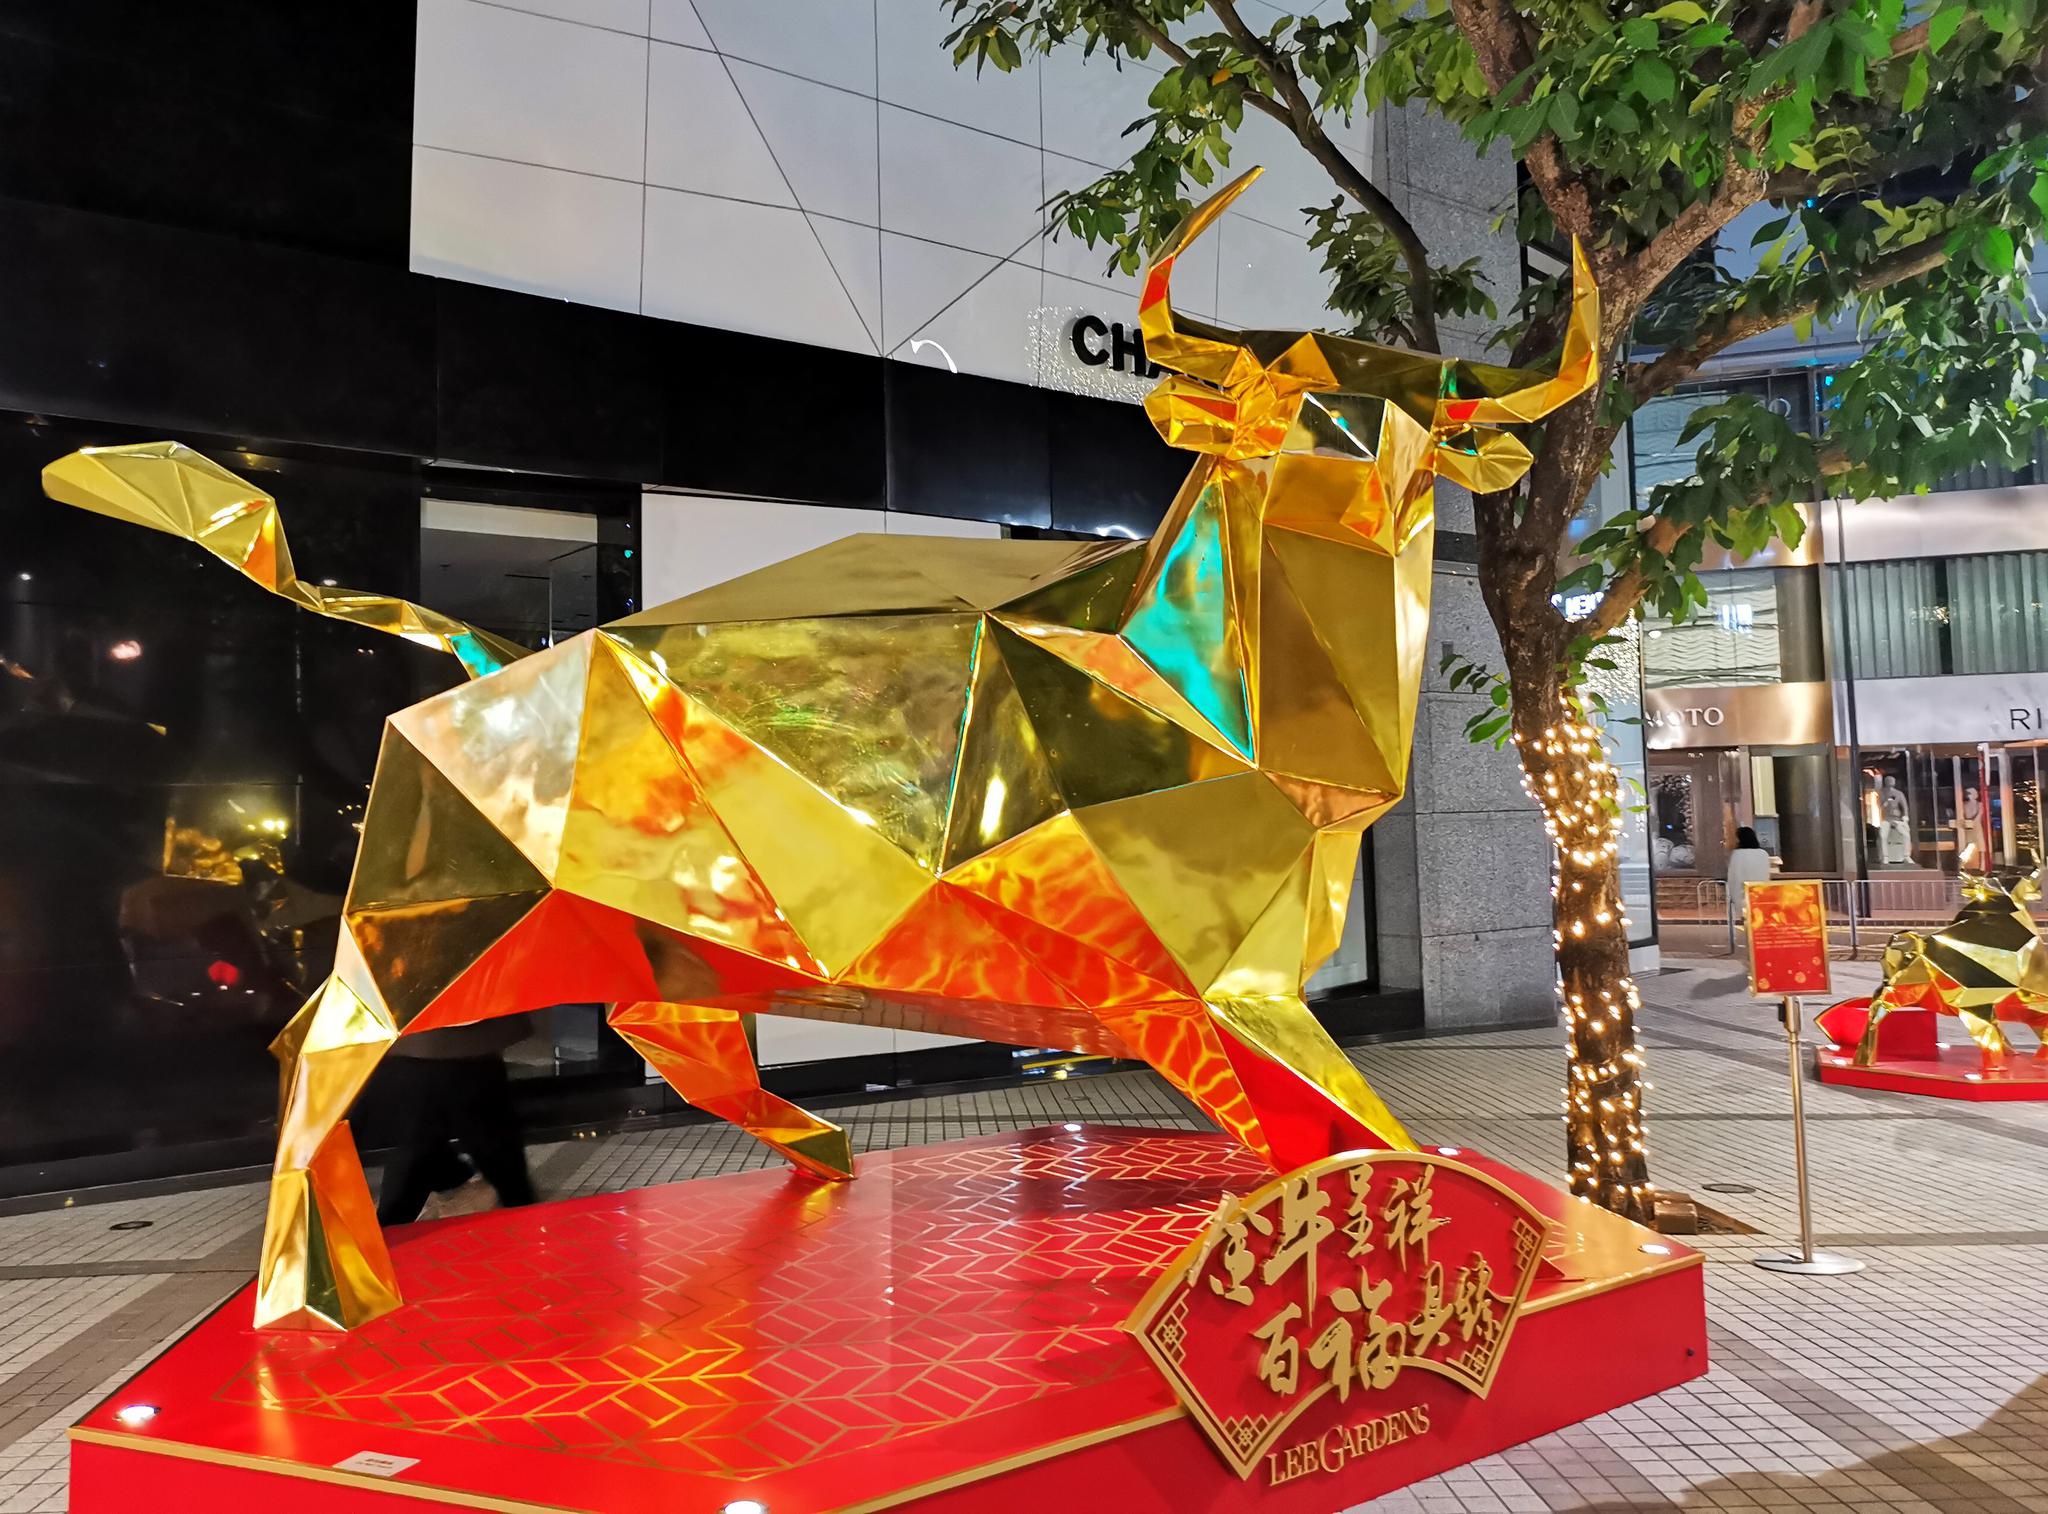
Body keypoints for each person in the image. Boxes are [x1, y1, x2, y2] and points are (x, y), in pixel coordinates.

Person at [374, 1014, 539, 1226]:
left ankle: (451, 1180)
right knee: (503, 1166)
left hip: (413, 1046)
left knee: (416, 1153)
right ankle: (526, 1223)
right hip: (466, 1049)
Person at [1726, 825, 1773, 934]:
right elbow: (1766, 874)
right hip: (1760, 893)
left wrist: (1731, 894)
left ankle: (1751, 943)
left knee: (1748, 922)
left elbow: (1733, 876)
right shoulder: (1763, 854)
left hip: (1742, 893)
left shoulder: (1737, 855)